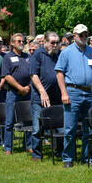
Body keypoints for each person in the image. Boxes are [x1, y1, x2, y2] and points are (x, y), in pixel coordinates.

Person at [55, 24, 92, 168]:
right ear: (74, 36)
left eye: (86, 34)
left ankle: (86, 157)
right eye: (81, 35)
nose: (84, 37)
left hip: (88, 93)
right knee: (70, 128)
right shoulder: (66, 52)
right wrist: (64, 92)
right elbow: (59, 73)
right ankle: (68, 158)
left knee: (90, 129)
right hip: (72, 92)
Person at [30, 31, 62, 161]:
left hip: (57, 97)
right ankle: (36, 154)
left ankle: (60, 151)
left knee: (60, 126)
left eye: (57, 43)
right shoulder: (37, 54)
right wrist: (43, 92)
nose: (55, 45)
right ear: (45, 42)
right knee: (37, 128)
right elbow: (33, 75)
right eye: (52, 43)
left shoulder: (59, 54)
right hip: (39, 97)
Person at [1, 33, 32, 155]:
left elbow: (33, 73)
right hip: (13, 93)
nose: (21, 43)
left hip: (27, 92)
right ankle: (8, 147)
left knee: (29, 120)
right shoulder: (7, 57)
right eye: (18, 41)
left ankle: (29, 145)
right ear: (12, 43)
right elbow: (6, 75)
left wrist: (28, 87)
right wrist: (20, 88)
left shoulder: (27, 57)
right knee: (10, 121)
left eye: (22, 41)